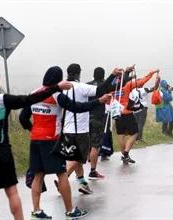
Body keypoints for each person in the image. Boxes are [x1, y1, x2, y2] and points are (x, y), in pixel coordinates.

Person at [0, 66, 72, 220]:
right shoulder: (3, 99)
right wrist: (56, 88)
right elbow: (30, 99)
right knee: (12, 193)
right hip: (2, 151)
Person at [19, 66, 110, 219]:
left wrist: (33, 130)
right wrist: (99, 101)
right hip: (52, 141)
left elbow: (23, 118)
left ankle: (36, 211)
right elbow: (78, 107)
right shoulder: (57, 95)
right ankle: (70, 211)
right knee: (62, 174)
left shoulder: (34, 93)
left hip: (35, 140)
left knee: (38, 175)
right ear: (57, 80)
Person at [63, 63, 123, 195]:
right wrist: (112, 75)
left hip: (66, 129)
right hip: (80, 130)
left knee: (75, 157)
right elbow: (100, 90)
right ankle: (63, 179)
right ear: (78, 73)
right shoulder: (80, 87)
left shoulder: (61, 88)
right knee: (79, 157)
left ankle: (82, 183)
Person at [115, 69, 159, 163]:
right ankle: (126, 153)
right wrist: (152, 73)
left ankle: (124, 156)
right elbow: (143, 80)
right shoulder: (126, 86)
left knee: (120, 135)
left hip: (117, 113)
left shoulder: (112, 89)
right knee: (134, 133)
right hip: (127, 112)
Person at [86, 67, 107, 180]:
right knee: (95, 145)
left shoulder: (87, 85)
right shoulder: (104, 86)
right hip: (98, 117)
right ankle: (93, 171)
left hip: (86, 116)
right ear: (103, 75)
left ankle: (88, 158)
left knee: (87, 141)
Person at [133, 75, 160, 142]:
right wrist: (158, 81)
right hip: (143, 108)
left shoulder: (132, 91)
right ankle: (139, 138)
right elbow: (154, 88)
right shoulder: (144, 89)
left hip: (135, 109)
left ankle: (135, 138)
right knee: (140, 124)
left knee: (136, 124)